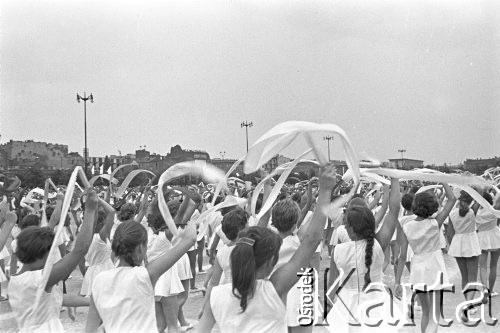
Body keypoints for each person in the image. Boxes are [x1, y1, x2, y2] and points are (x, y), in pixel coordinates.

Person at [195, 164, 336, 333]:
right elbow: (312, 239)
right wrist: (326, 190)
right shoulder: (274, 289)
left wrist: (268, 184)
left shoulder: (216, 296)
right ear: (270, 262)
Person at [86, 213, 196, 333]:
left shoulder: (99, 279)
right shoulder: (145, 275)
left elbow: (90, 329)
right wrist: (192, 222)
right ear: (140, 248)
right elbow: (190, 239)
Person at [8, 189, 97, 332]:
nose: (51, 260)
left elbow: (57, 298)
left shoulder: (16, 278)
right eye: (49, 255)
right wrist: (91, 210)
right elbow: (80, 249)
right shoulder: (40, 278)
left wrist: (91, 302)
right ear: (40, 255)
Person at [327, 177, 401, 332]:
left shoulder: (338, 251)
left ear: (353, 228)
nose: (345, 228)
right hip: (376, 301)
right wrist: (394, 179)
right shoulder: (378, 243)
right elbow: (394, 211)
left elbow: (332, 284)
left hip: (346, 303)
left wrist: (328, 307)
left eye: (347, 226)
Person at [395, 184, 456, 333]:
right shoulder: (435, 223)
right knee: (434, 316)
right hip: (435, 267)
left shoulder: (406, 226)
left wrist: (397, 281)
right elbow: (452, 199)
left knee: (426, 313)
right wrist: (444, 181)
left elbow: (402, 257)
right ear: (432, 207)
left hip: (417, 268)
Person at [447, 191, 482, 311]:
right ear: (470, 200)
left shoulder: (451, 214)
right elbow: (480, 195)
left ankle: (467, 303)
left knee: (464, 277)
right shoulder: (472, 211)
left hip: (458, 243)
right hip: (471, 243)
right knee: (472, 277)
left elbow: (449, 234)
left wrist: (455, 247)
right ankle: (469, 304)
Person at [80, 198, 115, 296]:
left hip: (90, 271)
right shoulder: (100, 237)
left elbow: (81, 261)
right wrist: (99, 199)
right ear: (101, 222)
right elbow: (112, 212)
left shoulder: (84, 237)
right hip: (103, 270)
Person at [474, 191, 500, 297]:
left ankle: (484, 290)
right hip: (496, 237)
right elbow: (498, 201)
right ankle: (491, 290)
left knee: (483, 267)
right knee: (493, 265)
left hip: (481, 238)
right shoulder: (493, 211)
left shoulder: (476, 212)